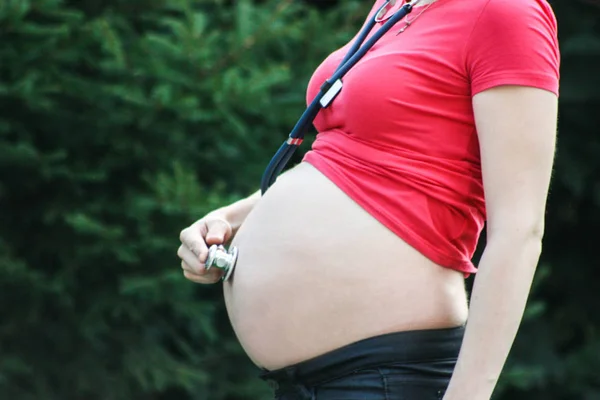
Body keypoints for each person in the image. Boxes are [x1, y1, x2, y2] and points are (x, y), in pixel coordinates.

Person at [177, 0, 560, 398]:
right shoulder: (393, 5)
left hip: (385, 374)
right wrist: (231, 218)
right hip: (307, 383)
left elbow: (519, 230)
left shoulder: (506, 11)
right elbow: (352, 163)